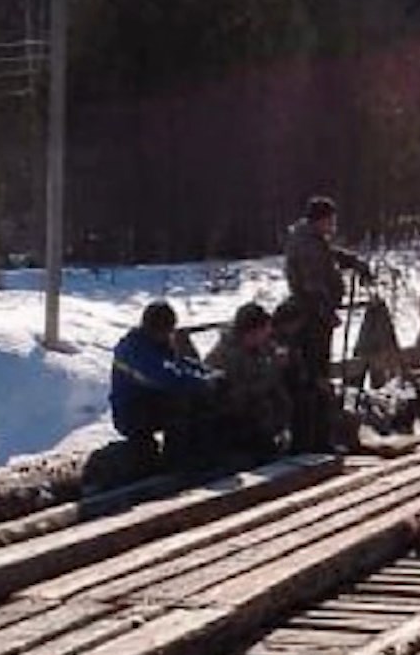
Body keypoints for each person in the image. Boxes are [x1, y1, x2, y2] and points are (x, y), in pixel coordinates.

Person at [283, 196, 372, 451]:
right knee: (316, 376)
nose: (333, 226)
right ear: (320, 220)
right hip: (311, 319)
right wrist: (325, 312)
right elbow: (312, 286)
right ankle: (316, 439)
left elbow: (328, 255)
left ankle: (320, 436)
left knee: (318, 376)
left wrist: (351, 261)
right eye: (330, 220)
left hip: (315, 315)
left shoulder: (310, 240)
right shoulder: (307, 245)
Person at [110, 300, 219, 462]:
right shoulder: (134, 350)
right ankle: (176, 460)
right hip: (130, 412)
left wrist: (209, 372)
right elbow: (166, 378)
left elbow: (180, 363)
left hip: (149, 402)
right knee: (181, 401)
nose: (169, 335)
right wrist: (205, 382)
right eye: (166, 330)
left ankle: (197, 449)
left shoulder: (156, 343)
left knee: (196, 399)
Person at [205, 302, 292, 458]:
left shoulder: (256, 347)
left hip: (252, 407)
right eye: (263, 330)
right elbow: (244, 390)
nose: (267, 334)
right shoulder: (229, 354)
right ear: (251, 332)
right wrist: (273, 370)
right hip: (232, 414)